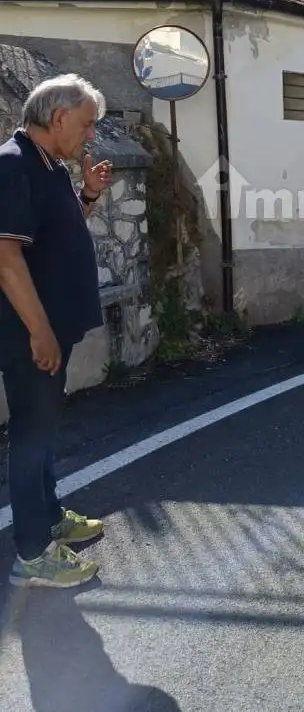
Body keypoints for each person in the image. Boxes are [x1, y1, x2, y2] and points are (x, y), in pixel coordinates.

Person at [0, 74, 113, 588]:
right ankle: (33, 552)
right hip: (28, 333)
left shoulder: (49, 166)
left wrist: (88, 196)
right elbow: (6, 258)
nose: (90, 135)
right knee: (30, 435)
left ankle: (48, 518)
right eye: (87, 124)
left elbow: (55, 236)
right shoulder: (14, 164)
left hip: (49, 329)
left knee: (43, 430)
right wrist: (41, 331)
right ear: (59, 117)